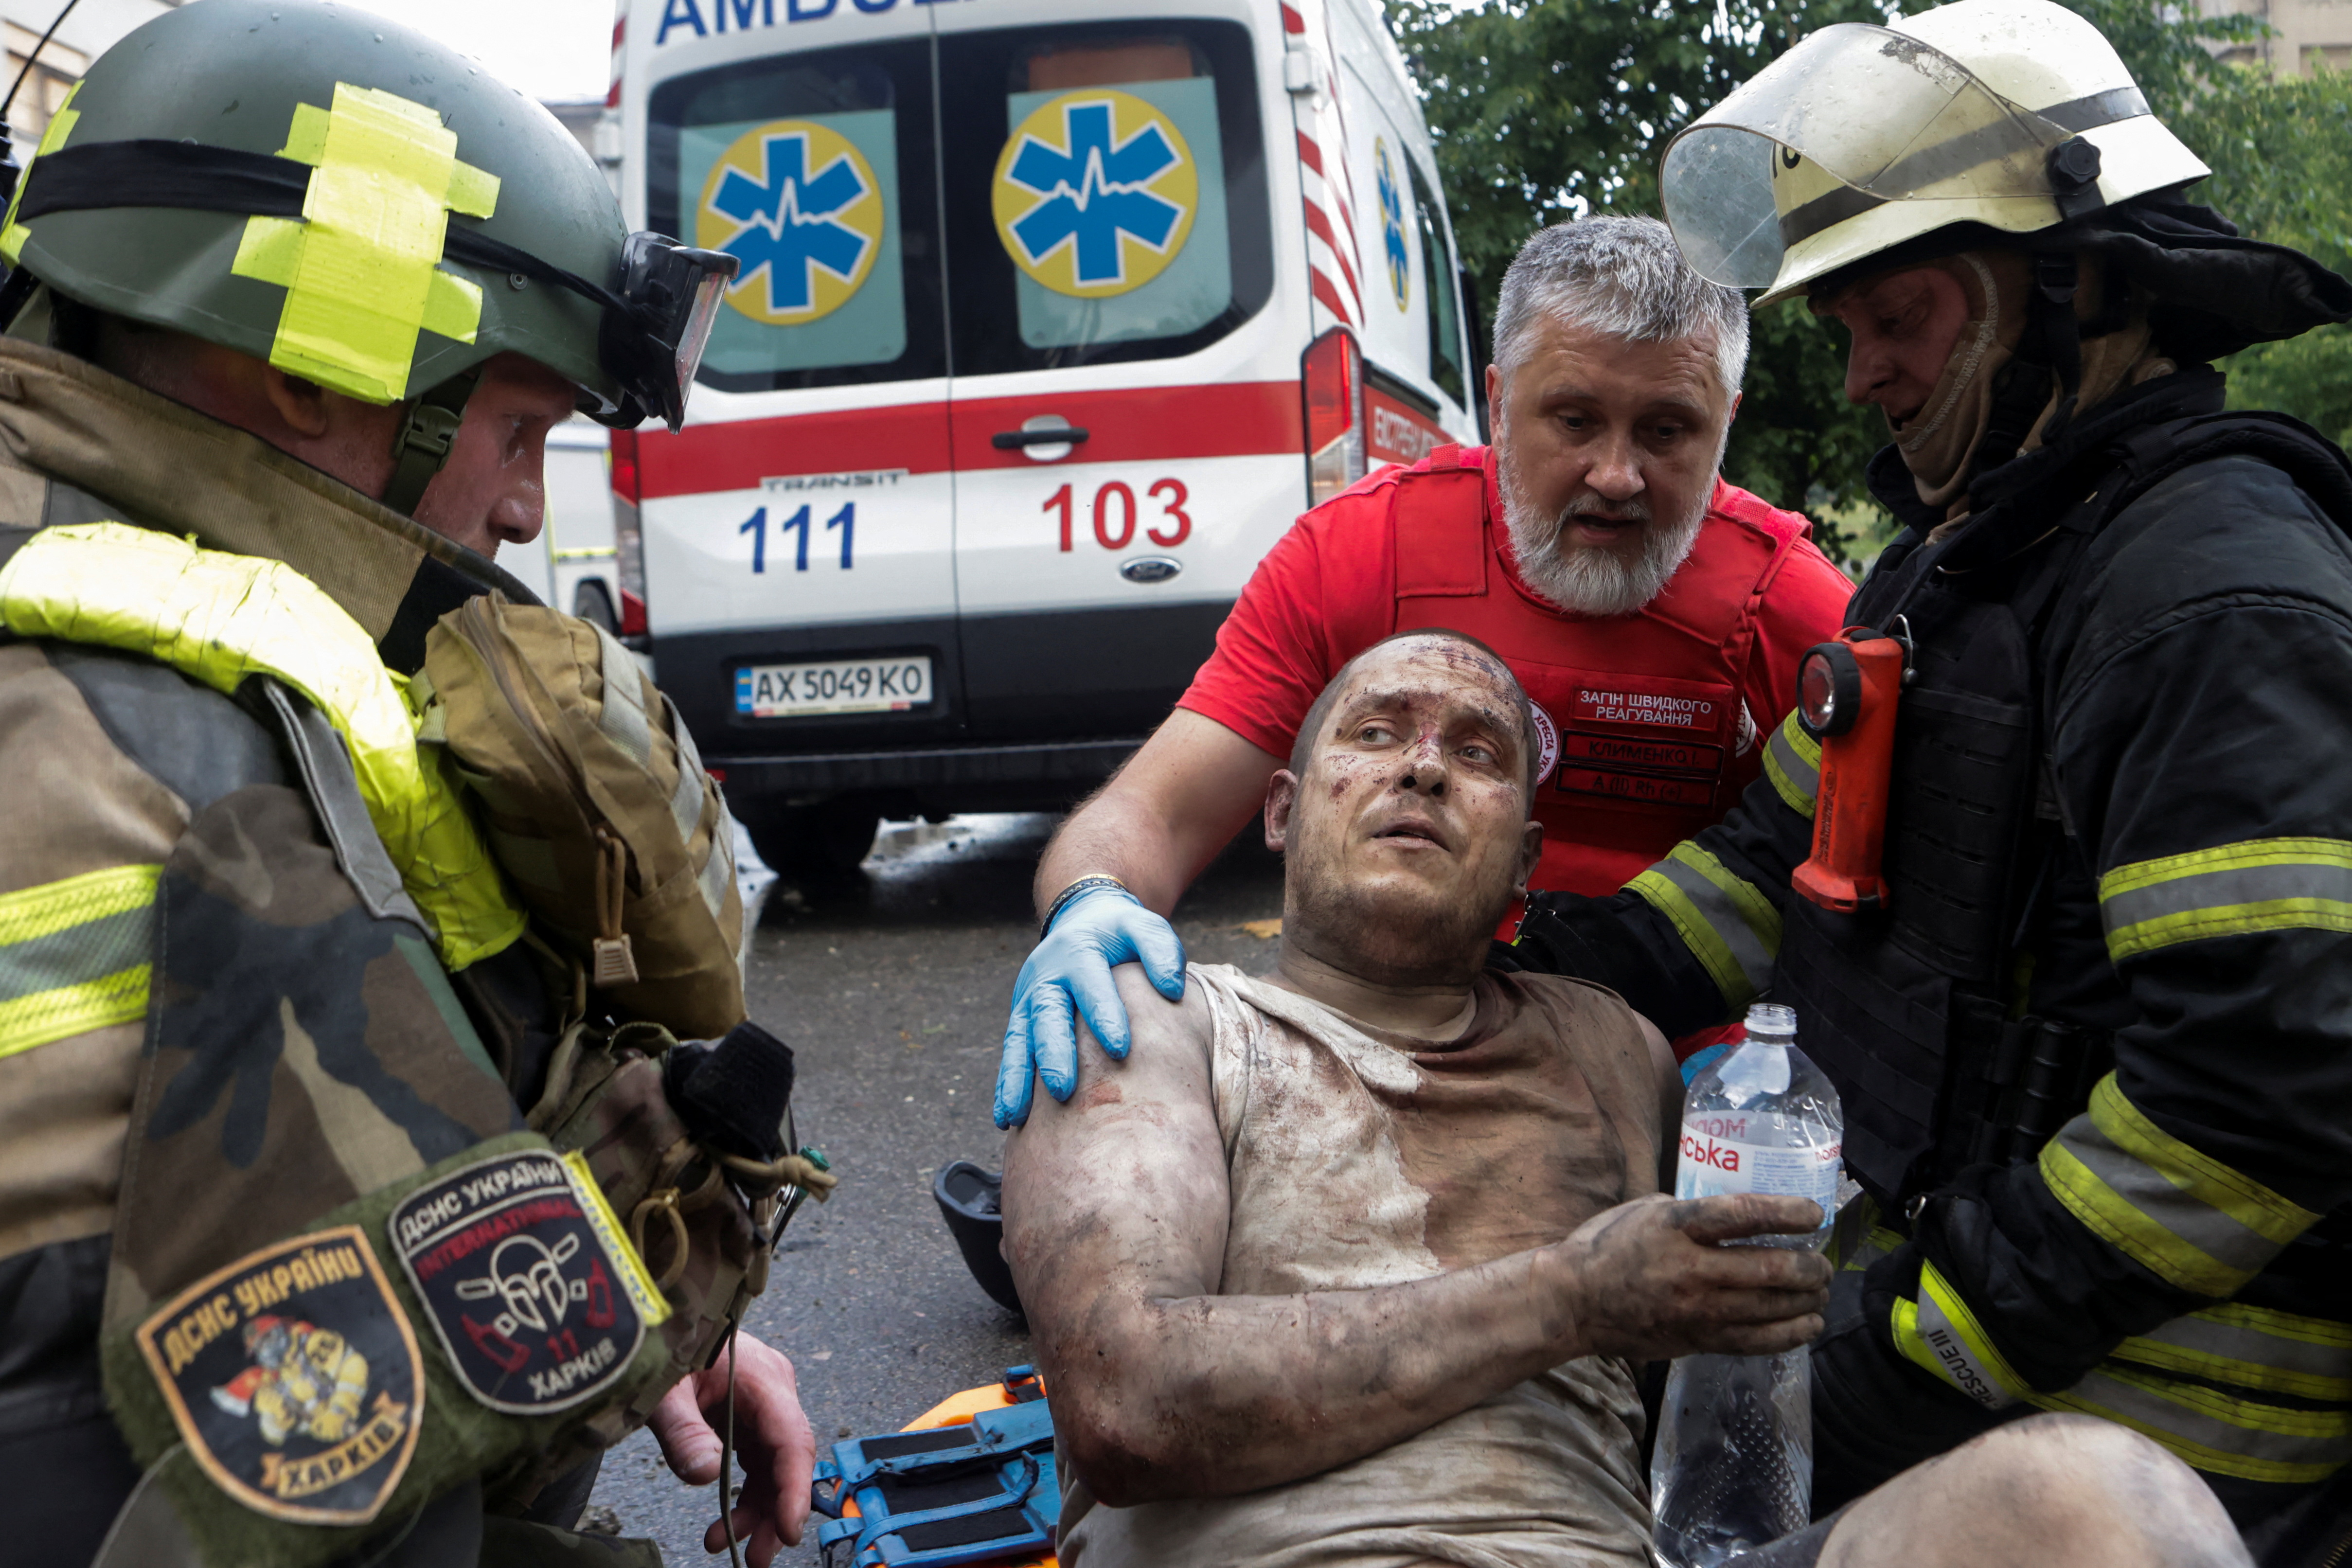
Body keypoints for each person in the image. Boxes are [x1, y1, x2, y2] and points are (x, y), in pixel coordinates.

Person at [1495, 0, 2352, 1556]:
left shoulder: (2213, 600)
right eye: (1841, 334)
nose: (1868, 376)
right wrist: (1490, 978)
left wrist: (1897, 1361)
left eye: (1901, 316)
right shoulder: (1960, 575)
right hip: (1973, 1358)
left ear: (2073, 284)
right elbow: (1759, 872)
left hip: (2147, 1452)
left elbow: (2251, 1103)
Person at [0, 4, 815, 1565]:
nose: (518, 507)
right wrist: (649, 1247)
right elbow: (317, 1450)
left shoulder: (99, 590)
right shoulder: (178, 757)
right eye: (517, 428)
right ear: (315, 377)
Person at [1002, 629, 2253, 1568]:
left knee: (2110, 1503)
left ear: (1529, 856)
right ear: (1279, 812)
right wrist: (1573, 1294)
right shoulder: (1152, 1015)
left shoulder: (1619, 1052)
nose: (1426, 770)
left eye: (1479, 752)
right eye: (1378, 734)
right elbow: (1126, 1403)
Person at [994, 216, 1854, 1129]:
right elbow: (1156, 811)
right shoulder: (1358, 556)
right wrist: (1091, 905)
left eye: (1667, 430)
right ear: (1496, 400)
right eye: (1574, 421)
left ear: (1728, 422)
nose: (1616, 474)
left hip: (1664, 1102)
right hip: (1366, 1068)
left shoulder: (1796, 611)